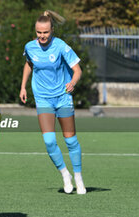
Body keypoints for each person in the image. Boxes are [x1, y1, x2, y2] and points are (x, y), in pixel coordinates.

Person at [19, 10, 86, 195]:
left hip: (63, 97)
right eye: (39, 32)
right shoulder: (30, 47)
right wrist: (23, 86)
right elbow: (29, 64)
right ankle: (65, 174)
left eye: (45, 32)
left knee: (70, 140)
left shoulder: (61, 46)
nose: (42, 36)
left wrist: (72, 82)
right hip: (43, 98)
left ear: (52, 31)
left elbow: (77, 70)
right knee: (49, 142)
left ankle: (78, 177)